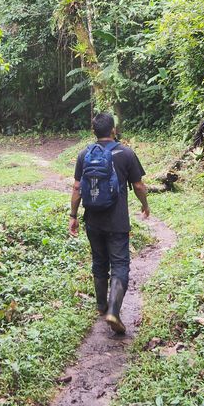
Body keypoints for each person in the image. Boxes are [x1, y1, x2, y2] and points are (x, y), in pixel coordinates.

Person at [68, 112, 150, 334]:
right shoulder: (126, 153)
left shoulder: (85, 154)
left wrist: (73, 215)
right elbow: (139, 186)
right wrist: (145, 205)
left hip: (92, 220)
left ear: (93, 132)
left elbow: (77, 188)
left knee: (99, 261)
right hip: (117, 222)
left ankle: (101, 306)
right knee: (120, 264)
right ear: (113, 130)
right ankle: (114, 311)